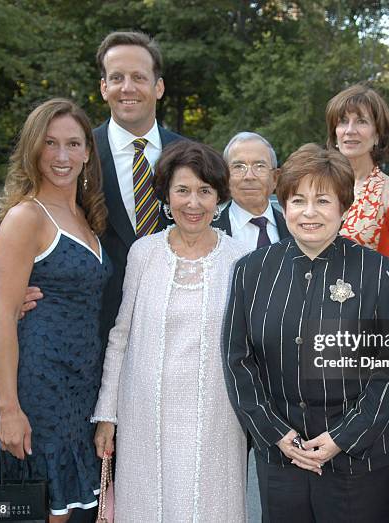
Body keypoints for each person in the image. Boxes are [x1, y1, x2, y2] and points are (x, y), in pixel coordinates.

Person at [224, 143, 389, 522]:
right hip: (282, 458)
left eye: (323, 201)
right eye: (298, 200)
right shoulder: (251, 271)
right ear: (283, 205)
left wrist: (342, 438)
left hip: (361, 459)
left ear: (343, 206)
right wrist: (278, 435)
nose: (309, 213)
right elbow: (238, 361)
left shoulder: (378, 273)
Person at [92, 140, 249, 522]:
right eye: (182, 190)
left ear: (219, 198)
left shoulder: (239, 259)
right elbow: (121, 336)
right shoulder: (143, 253)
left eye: (204, 191)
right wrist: (107, 415)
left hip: (218, 418)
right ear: (165, 194)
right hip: (145, 415)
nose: (193, 203)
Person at [0, 99, 111, 522]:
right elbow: (2, 319)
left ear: (89, 151)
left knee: (70, 506)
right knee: (38, 508)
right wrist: (8, 410)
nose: (62, 156)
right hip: (38, 388)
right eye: (50, 143)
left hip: (81, 388)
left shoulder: (87, 217)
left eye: (73, 143)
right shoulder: (26, 217)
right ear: (34, 149)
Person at [22, 31, 183, 349]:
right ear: (103, 87)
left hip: (175, 331)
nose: (127, 88)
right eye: (117, 77)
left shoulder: (190, 156)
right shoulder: (75, 154)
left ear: (158, 86)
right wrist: (18, 285)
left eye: (139, 77)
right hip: (91, 332)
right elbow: (30, 215)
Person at [325, 84, 389, 260]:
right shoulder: (317, 183)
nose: (350, 130)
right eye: (343, 121)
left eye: (361, 121)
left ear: (378, 135)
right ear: (335, 134)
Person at [216, 132, 290, 248]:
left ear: (275, 178)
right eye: (239, 167)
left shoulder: (294, 228)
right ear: (226, 177)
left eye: (259, 166)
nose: (249, 176)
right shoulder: (208, 229)